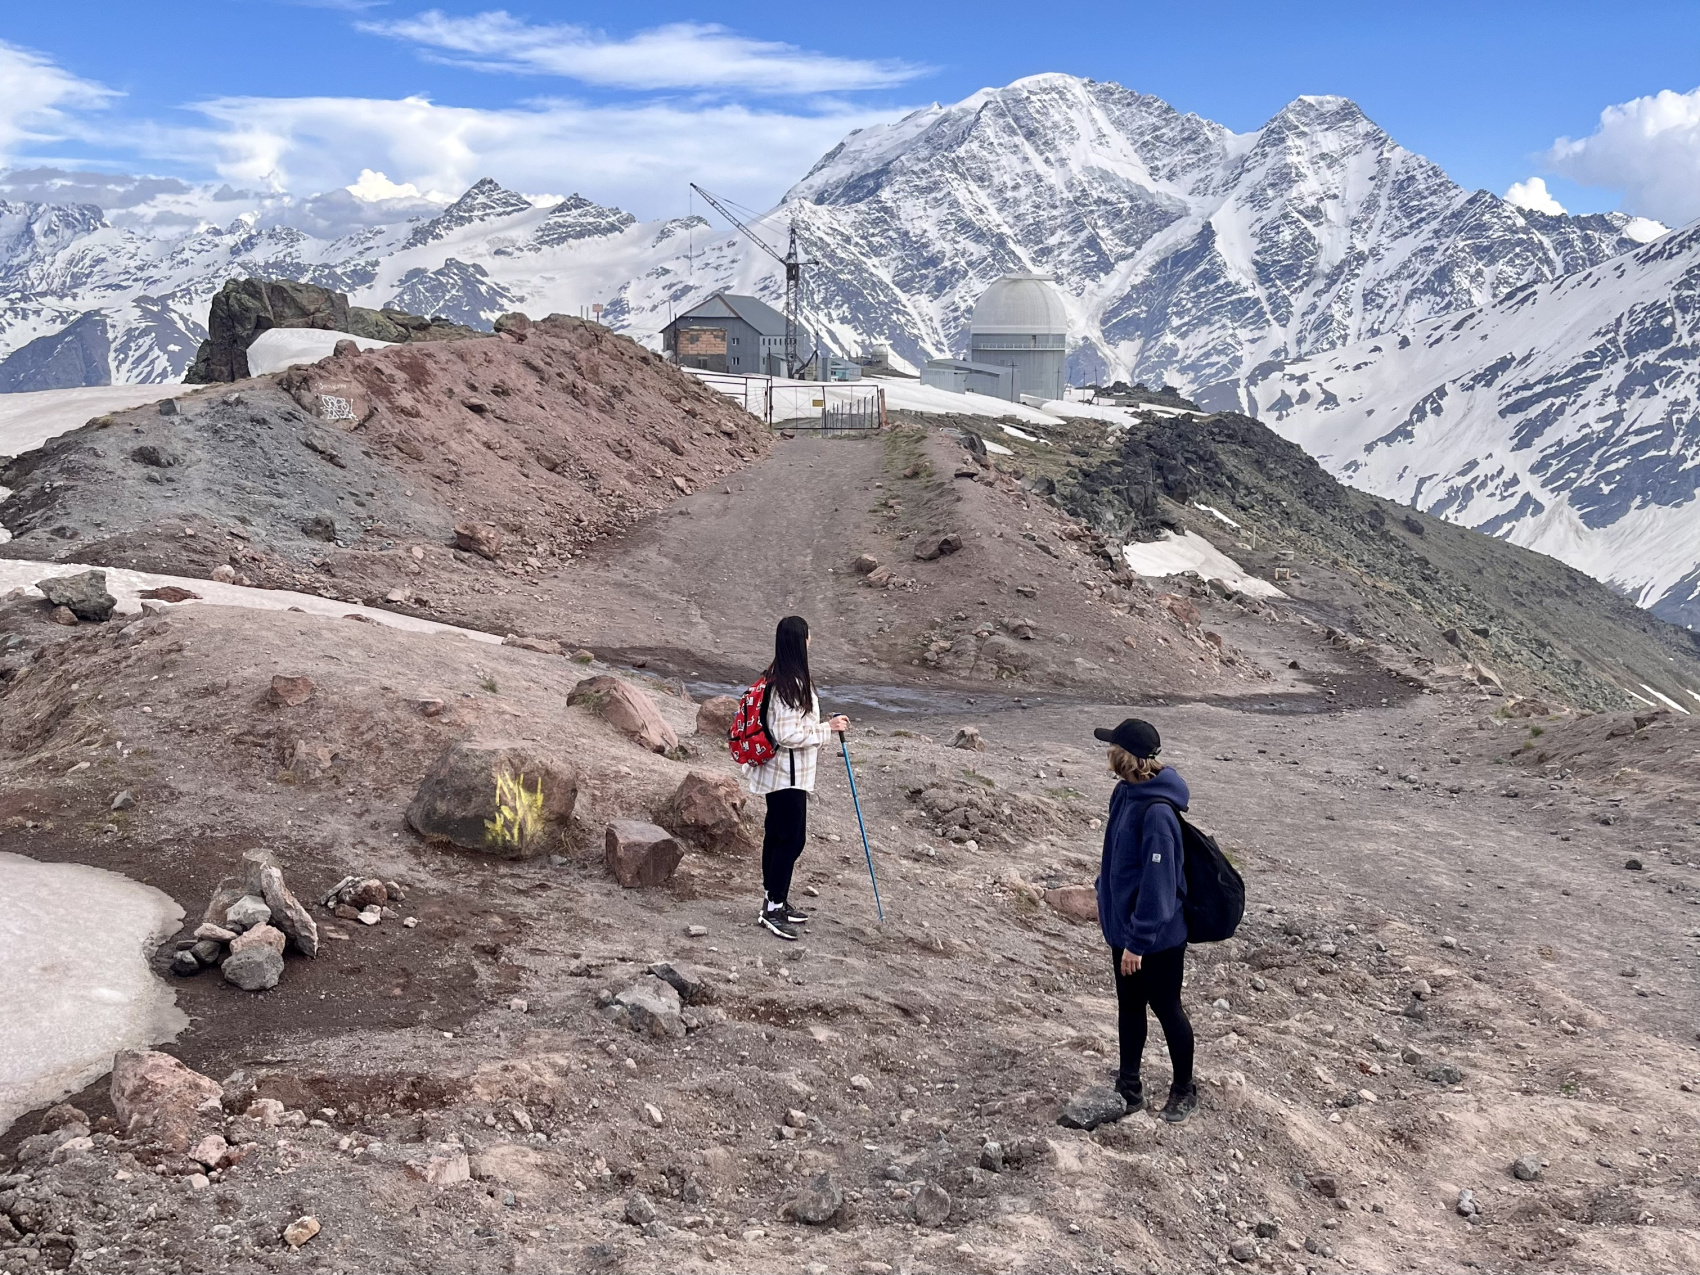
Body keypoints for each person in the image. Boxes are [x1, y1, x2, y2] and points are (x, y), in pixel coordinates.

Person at [1093, 717, 1197, 1123]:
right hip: (1126, 929)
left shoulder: (1157, 814)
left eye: (1112, 748)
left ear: (1124, 757)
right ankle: (1129, 1087)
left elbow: (1158, 888)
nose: (1107, 754)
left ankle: (1185, 1088)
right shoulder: (1124, 795)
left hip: (1157, 939)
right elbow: (1116, 856)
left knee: (1167, 1008)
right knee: (1130, 1007)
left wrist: (1138, 941)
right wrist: (1105, 893)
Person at [743, 616, 848, 941]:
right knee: (791, 839)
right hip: (788, 775)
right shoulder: (792, 683)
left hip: (779, 773)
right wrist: (827, 729)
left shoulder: (776, 677)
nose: (811, 640)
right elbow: (787, 733)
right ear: (800, 641)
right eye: (808, 635)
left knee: (777, 836)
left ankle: (774, 898)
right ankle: (773, 908)